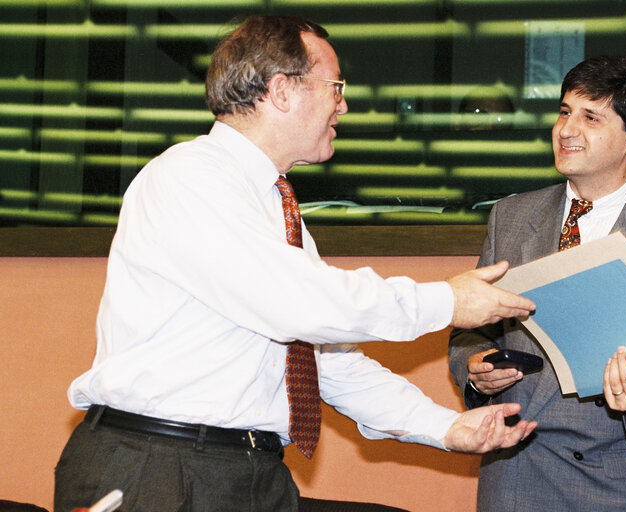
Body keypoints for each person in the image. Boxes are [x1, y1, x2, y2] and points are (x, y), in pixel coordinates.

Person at [53, 15, 539, 512]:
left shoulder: (272, 203)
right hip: (161, 469)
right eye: (336, 87)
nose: (343, 105)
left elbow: (324, 358)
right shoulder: (189, 178)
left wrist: (447, 427)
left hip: (246, 472)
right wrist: (448, 301)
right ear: (281, 90)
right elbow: (304, 306)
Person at [448, 55, 626, 512]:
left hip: (611, 485)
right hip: (514, 473)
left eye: (590, 117)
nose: (566, 129)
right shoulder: (511, 217)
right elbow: (471, 329)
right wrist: (476, 371)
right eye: (564, 111)